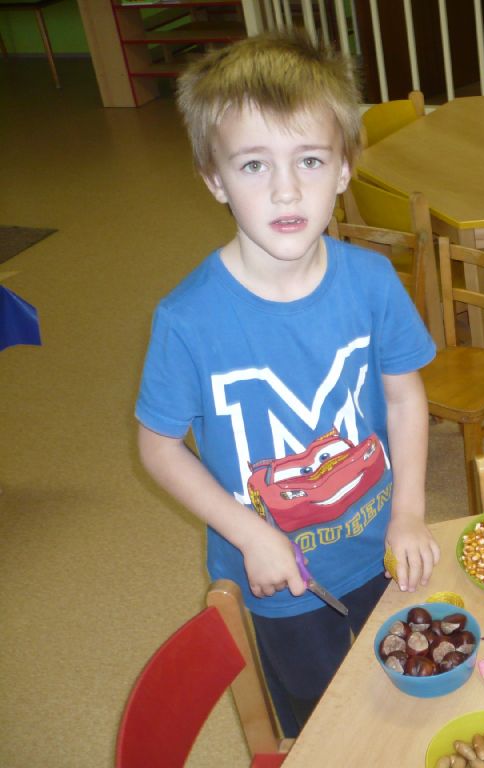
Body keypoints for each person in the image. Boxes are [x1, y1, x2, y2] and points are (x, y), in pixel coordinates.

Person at [135, 32, 440, 732]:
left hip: (380, 548)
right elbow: (158, 446)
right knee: (320, 724)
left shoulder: (372, 282)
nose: (285, 189)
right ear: (214, 179)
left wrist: (410, 511)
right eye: (253, 164)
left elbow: (404, 397)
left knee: (402, 695)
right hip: (279, 578)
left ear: (344, 169)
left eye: (309, 159)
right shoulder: (187, 320)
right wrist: (250, 533)